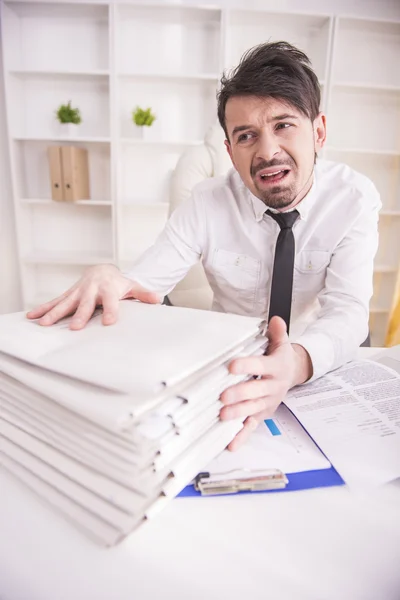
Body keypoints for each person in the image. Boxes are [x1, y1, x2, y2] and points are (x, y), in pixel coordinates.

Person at [27, 42, 381, 451]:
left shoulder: (354, 197)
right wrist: (115, 279)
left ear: (318, 132)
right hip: (230, 372)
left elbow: (349, 310)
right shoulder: (206, 201)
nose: (267, 152)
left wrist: (297, 361)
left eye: (284, 125)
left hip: (316, 365)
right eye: (246, 136)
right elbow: (143, 285)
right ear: (230, 151)